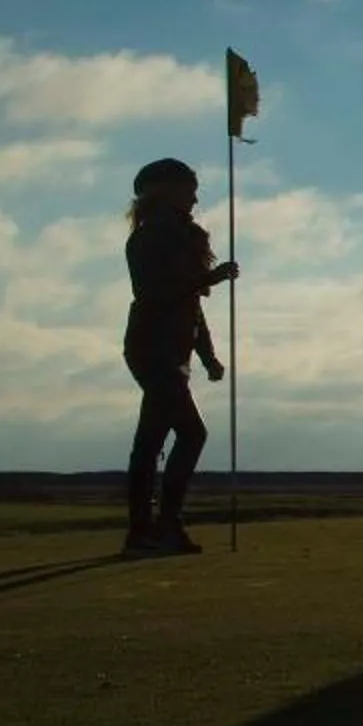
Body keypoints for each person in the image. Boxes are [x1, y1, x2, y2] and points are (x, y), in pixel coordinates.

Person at [121, 158, 239, 555]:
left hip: (172, 349)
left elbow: (190, 305)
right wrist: (211, 277)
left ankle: (154, 530)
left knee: (155, 439)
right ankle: (154, 529)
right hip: (151, 347)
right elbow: (156, 293)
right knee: (185, 434)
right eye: (189, 188)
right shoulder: (148, 238)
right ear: (165, 190)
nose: (195, 197)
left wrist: (207, 356)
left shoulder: (181, 237)